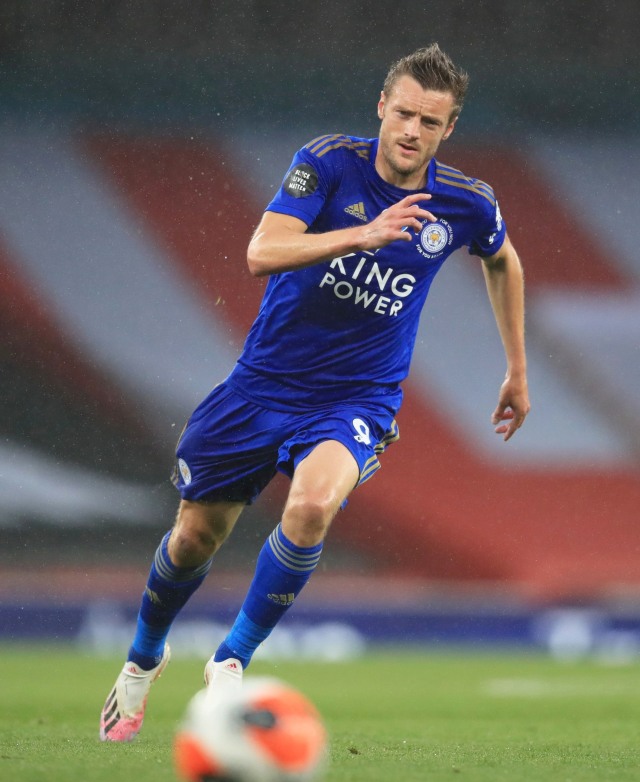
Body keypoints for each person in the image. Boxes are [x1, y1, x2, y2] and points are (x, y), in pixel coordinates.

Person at [100, 43, 530, 742]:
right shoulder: (327, 162)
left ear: (449, 130)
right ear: (381, 108)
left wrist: (517, 368)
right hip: (261, 385)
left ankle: (232, 660)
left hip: (356, 397)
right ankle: (145, 657)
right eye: (404, 114)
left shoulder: (467, 203)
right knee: (192, 539)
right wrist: (362, 235)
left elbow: (503, 260)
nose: (412, 132)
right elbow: (260, 253)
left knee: (313, 503)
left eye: (430, 121)